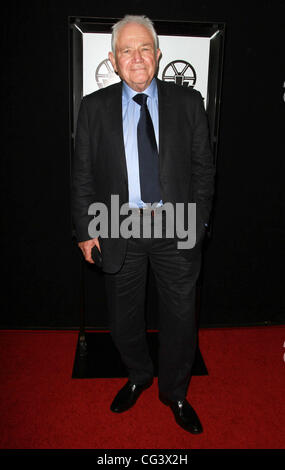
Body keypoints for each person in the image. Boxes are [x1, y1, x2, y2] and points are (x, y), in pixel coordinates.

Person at [72, 14, 215, 434]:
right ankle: (138, 375)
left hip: (177, 225)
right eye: (127, 51)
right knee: (123, 319)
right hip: (118, 225)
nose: (137, 58)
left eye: (145, 48)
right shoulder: (93, 108)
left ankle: (174, 392)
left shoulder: (189, 104)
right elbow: (81, 176)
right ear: (113, 61)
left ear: (159, 54)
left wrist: (199, 222)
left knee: (181, 319)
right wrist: (85, 230)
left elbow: (205, 171)